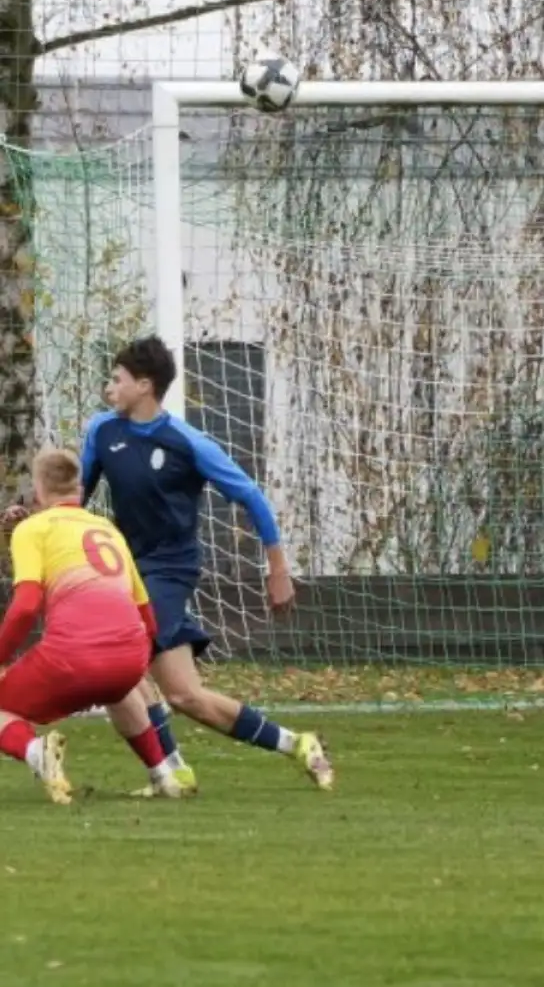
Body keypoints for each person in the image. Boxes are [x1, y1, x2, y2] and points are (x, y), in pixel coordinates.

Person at [7, 336, 333, 793]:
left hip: (168, 572)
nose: (108, 387)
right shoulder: (103, 431)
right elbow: (73, 500)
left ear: (144, 385)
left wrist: (277, 568)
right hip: (125, 571)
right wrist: (34, 515)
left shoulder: (188, 442)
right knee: (174, 691)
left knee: (133, 673)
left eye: (116, 379)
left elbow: (251, 497)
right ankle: (288, 744)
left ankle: (173, 768)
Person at [0, 448, 182, 804]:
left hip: (74, 657)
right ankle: (164, 774)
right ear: (80, 489)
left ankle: (38, 753)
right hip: (129, 656)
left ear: (38, 490)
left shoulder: (31, 529)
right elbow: (147, 615)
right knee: (120, 691)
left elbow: (24, 609)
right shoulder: (107, 528)